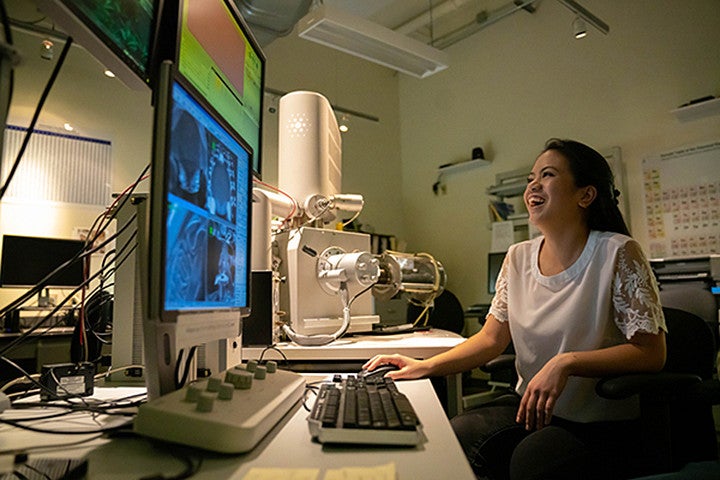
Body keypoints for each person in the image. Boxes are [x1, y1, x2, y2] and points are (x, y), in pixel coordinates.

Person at [363, 139, 667, 480]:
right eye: (530, 178)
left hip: (596, 421)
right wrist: (424, 366)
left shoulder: (618, 252)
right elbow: (491, 339)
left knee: (533, 460)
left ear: (586, 195)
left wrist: (565, 362)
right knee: (453, 435)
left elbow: (650, 352)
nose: (533, 185)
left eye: (548, 175)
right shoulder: (518, 256)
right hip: (530, 409)